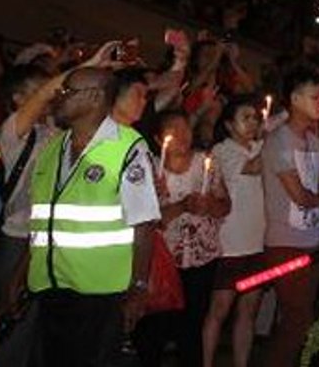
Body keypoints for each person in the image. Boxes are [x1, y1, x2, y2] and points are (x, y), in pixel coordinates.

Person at [20, 67, 161, 367]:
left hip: (100, 293)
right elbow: (42, 223)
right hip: (50, 286)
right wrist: (22, 274)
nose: (58, 97)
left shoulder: (128, 147)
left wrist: (137, 288)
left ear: (95, 98)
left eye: (67, 92)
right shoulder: (52, 147)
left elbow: (144, 223)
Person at [261, 69, 319, 367]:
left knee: (301, 318)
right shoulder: (279, 141)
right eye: (314, 96)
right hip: (286, 244)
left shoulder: (315, 143)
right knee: (298, 320)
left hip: (312, 242)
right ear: (294, 99)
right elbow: (301, 196)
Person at [137, 111, 228, 367]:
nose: (182, 136)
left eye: (186, 128)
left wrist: (209, 204)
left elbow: (225, 206)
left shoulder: (206, 163)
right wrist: (180, 206)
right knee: (153, 329)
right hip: (163, 261)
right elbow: (145, 220)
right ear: (158, 138)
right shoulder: (150, 170)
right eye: (173, 130)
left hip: (201, 258)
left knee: (192, 327)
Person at [203, 96, 266, 367]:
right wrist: (268, 141)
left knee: (249, 311)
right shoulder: (223, 150)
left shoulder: (255, 147)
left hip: (255, 242)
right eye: (246, 118)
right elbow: (253, 168)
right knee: (219, 310)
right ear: (229, 125)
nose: (253, 123)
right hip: (230, 244)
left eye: (255, 118)